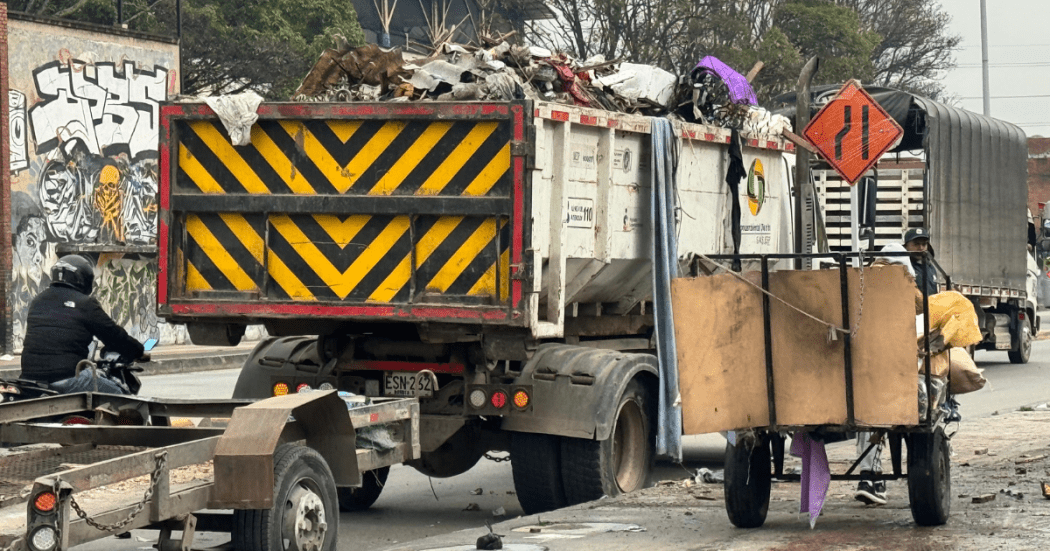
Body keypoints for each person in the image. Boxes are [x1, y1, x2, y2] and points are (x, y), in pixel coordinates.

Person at [20, 255, 146, 384]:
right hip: (66, 377)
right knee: (117, 393)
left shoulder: (38, 300)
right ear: (82, 278)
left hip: (29, 378)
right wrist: (137, 350)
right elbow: (114, 335)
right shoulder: (85, 303)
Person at [904, 228, 938, 296]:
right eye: (916, 244)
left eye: (924, 244)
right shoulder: (903, 267)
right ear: (906, 246)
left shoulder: (931, 268)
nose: (921, 247)